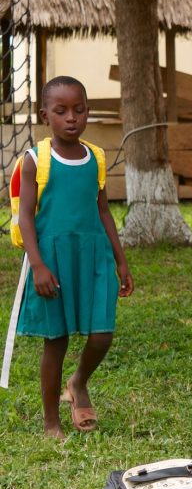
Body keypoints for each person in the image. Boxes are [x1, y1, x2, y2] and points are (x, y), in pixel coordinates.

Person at [17, 76, 133, 439]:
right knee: (58, 339)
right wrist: (37, 264)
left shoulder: (95, 157)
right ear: (44, 114)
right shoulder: (36, 159)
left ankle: (78, 381)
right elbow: (25, 216)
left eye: (79, 110)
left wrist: (121, 259)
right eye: (61, 110)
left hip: (93, 256)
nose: (72, 118)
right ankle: (52, 420)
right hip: (53, 259)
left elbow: (103, 212)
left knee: (102, 334)